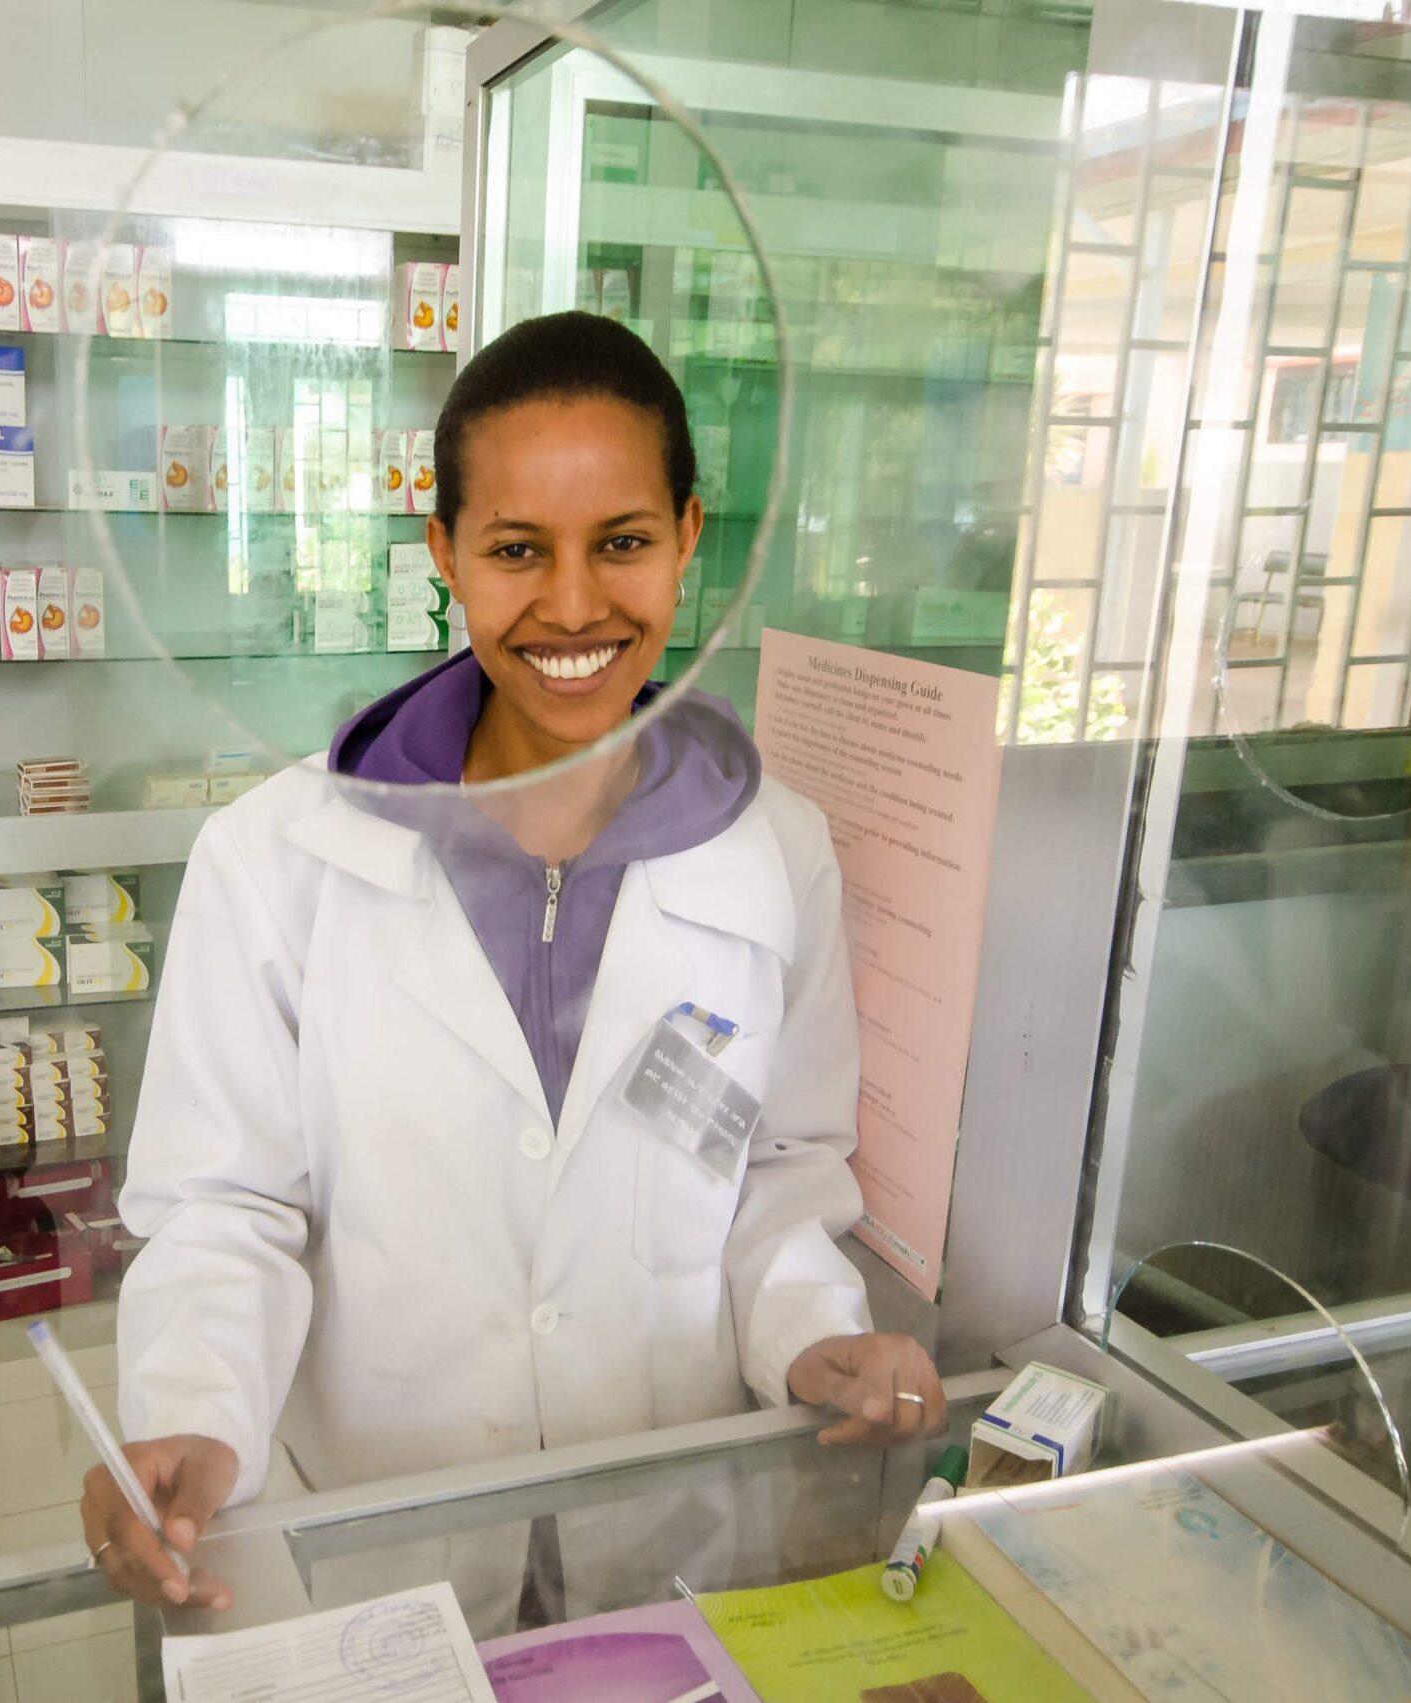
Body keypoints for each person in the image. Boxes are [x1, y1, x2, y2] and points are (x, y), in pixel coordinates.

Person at [81, 310, 943, 1611]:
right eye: (517, 550)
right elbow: (223, 1207)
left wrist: (815, 1338)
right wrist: (197, 1412)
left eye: (626, 544)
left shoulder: (775, 854)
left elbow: (777, 1171)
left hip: (669, 1536)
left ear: (689, 539)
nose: (576, 604)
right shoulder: (278, 857)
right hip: (379, 1539)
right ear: (445, 554)